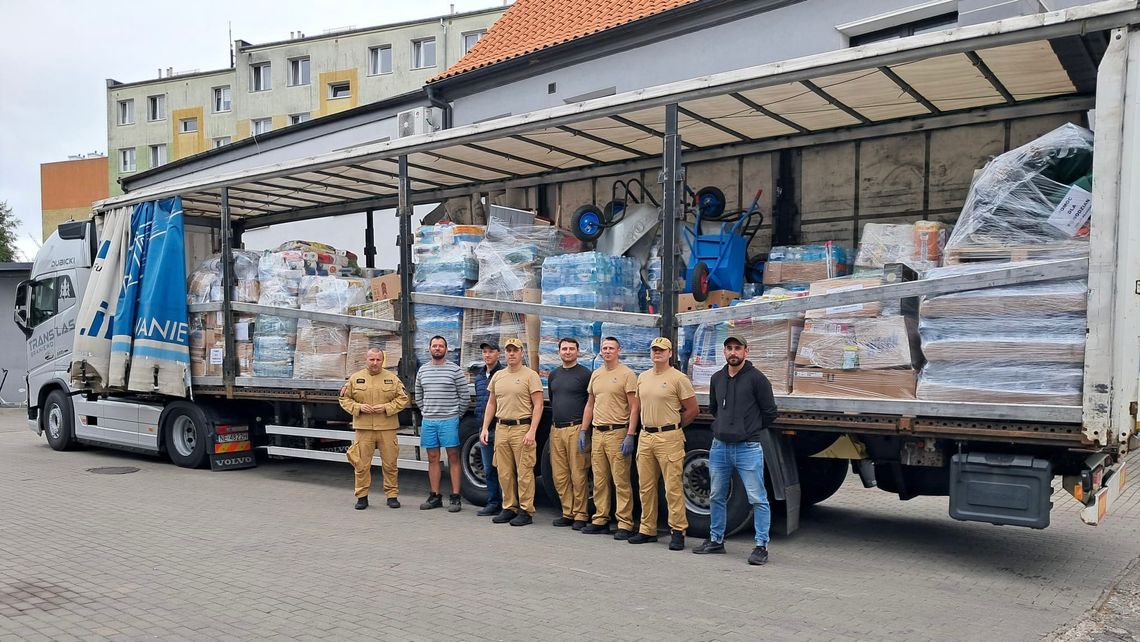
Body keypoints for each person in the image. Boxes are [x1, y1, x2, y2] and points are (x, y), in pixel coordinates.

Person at [693, 335, 778, 566]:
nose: (733, 352)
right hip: (719, 447)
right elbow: (713, 407)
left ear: (746, 352)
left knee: (757, 498)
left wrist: (748, 430)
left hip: (748, 448)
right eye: (729, 348)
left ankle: (761, 546)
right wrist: (725, 427)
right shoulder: (717, 378)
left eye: (737, 348)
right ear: (724, 351)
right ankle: (716, 540)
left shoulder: (757, 379)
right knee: (716, 495)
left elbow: (770, 412)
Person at [630, 337, 699, 550]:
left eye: (662, 350)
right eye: (654, 350)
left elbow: (692, 409)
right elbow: (638, 407)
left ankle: (678, 531)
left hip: (669, 437)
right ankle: (647, 529)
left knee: (672, 488)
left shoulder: (678, 378)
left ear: (670, 353)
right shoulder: (642, 377)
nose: (657, 353)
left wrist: (675, 427)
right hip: (646, 436)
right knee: (646, 486)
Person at [580, 336, 639, 539]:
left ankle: (624, 523)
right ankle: (600, 519)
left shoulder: (627, 375)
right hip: (598, 432)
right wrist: (583, 430)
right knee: (599, 479)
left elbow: (634, 408)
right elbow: (590, 404)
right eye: (604, 348)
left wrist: (630, 434)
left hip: (617, 432)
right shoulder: (596, 375)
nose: (607, 351)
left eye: (611, 348)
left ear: (618, 350)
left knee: (621, 480)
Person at [480, 337, 543, 527]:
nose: (512, 354)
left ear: (522, 353)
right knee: (504, 472)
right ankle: (509, 507)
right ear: (504, 353)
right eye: (508, 350)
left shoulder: (530, 376)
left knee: (524, 472)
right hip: (501, 428)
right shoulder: (498, 376)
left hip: (521, 428)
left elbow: (538, 405)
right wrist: (484, 428)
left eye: (515, 350)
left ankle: (526, 510)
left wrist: (532, 431)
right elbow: (492, 403)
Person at [339, 348, 409, 510]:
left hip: (387, 428)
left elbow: (403, 398)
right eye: (372, 359)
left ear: (382, 360)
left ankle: (392, 495)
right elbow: (344, 399)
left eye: (378, 360)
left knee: (390, 464)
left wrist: (386, 407)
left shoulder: (392, 379)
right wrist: (358, 407)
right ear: (366, 360)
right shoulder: (356, 379)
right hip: (364, 428)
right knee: (361, 464)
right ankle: (362, 496)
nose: (375, 363)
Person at [414, 335, 470, 512]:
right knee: (432, 458)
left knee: (453, 457)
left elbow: (465, 397)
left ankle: (455, 497)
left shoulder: (455, 370)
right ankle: (435, 496)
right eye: (434, 346)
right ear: (429, 349)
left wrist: (456, 415)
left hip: (449, 420)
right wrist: (426, 411)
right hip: (429, 421)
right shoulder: (423, 371)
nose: (437, 348)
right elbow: (418, 395)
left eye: (441, 346)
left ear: (446, 349)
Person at [546, 337, 591, 530]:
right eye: (564, 349)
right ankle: (568, 512)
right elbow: (553, 398)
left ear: (577, 352)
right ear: (559, 352)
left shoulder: (585, 374)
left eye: (571, 349)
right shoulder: (553, 375)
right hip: (557, 429)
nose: (567, 352)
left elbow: (590, 403)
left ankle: (581, 514)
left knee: (578, 473)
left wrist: (584, 430)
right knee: (560, 475)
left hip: (576, 429)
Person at [473, 342, 504, 516]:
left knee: (505, 469)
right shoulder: (479, 376)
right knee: (489, 469)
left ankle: (509, 503)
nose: (487, 355)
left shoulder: (503, 374)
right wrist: (482, 426)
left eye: (491, 351)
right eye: (484, 352)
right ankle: (493, 502)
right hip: (484, 429)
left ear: (498, 354)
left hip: (501, 428)